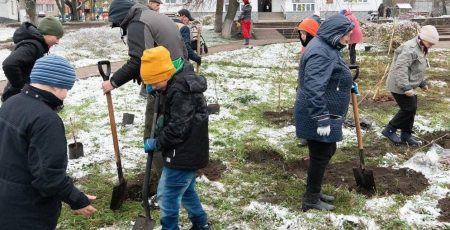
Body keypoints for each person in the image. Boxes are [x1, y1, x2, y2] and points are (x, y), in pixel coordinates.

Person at [0, 55, 97, 229]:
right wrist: (77, 200)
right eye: (66, 88)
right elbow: (48, 177)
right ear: (54, 84)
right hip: (29, 212)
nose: (66, 95)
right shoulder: (46, 120)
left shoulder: (10, 103)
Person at [104, 0, 188, 200]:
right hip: (177, 78)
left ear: (122, 18)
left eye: (119, 25)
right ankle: (173, 178)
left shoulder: (137, 23)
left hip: (165, 83)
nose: (121, 29)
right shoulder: (154, 16)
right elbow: (178, 50)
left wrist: (113, 82)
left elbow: (137, 60)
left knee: (153, 134)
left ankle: (165, 188)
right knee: (168, 130)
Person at [141, 46, 211, 230]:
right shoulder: (174, 81)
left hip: (184, 152)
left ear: (165, 74)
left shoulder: (180, 91)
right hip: (187, 150)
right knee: (187, 191)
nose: (154, 87)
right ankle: (201, 224)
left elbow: (178, 127)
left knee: (167, 195)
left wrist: (158, 142)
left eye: (155, 83)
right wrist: (159, 91)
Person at [294, 14, 354, 211]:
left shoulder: (327, 46)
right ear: (336, 33)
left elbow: (329, 75)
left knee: (326, 151)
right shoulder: (321, 52)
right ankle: (310, 200)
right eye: (347, 35)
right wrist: (321, 118)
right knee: (320, 155)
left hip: (323, 110)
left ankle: (314, 192)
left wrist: (346, 83)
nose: (349, 39)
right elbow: (313, 87)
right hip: (317, 113)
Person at [382, 25, 439, 146]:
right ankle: (389, 130)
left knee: (411, 108)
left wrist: (421, 82)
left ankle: (406, 135)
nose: (431, 46)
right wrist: (405, 87)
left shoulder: (421, 47)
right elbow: (401, 68)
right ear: (423, 38)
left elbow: (415, 68)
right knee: (408, 108)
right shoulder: (410, 48)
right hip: (399, 84)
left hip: (408, 83)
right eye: (430, 43)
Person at [1, 16, 64, 102]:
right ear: (47, 33)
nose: (57, 42)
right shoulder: (33, 46)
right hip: (16, 100)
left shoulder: (38, 45)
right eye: (57, 37)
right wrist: (19, 87)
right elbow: (9, 64)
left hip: (21, 98)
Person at [295, 16, 320, 147]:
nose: (302, 37)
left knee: (311, 110)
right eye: (301, 34)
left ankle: (311, 137)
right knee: (305, 111)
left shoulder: (316, 48)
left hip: (311, 87)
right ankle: (307, 136)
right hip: (304, 83)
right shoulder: (307, 46)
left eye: (305, 33)